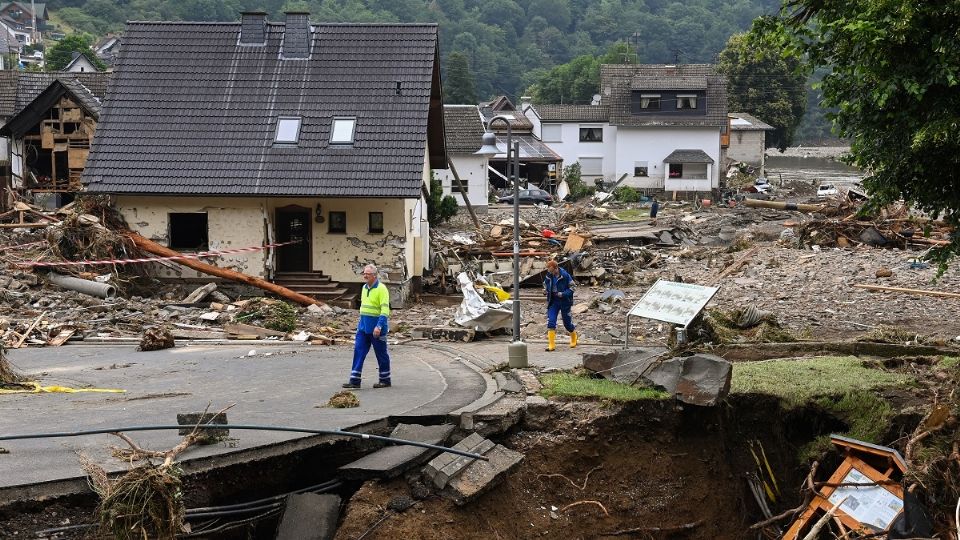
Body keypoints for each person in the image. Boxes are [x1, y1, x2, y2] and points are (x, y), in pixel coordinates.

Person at [343, 264, 391, 389]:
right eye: (364, 273)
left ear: (374, 275)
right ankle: (354, 380)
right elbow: (364, 308)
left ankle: (385, 380)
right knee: (358, 351)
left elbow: (385, 310)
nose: (364, 275)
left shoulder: (382, 289)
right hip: (363, 327)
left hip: (377, 328)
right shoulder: (364, 288)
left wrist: (379, 326)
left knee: (381, 354)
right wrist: (360, 325)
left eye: (367, 274)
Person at [542, 259, 577, 352]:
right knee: (551, 321)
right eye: (550, 271)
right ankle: (551, 345)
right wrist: (545, 290)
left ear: (556, 268)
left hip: (565, 302)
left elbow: (573, 287)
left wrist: (563, 294)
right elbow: (545, 284)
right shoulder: (549, 275)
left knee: (567, 323)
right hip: (553, 301)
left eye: (552, 271)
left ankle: (574, 337)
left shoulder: (565, 276)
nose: (551, 273)